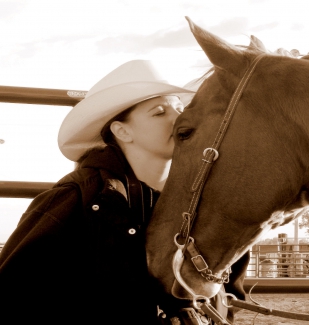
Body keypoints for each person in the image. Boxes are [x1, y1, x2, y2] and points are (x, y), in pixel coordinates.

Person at [0, 60, 249, 324]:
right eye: (159, 112)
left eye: (180, 108)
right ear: (122, 130)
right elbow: (13, 291)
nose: (180, 119)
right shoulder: (74, 199)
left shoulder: (207, 200)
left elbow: (228, 287)